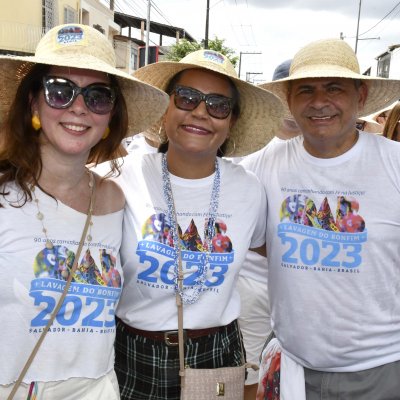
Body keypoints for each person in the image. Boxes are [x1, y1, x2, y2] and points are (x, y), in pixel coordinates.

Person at [102, 49, 283, 400]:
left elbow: (273, 250)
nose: (200, 112)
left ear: (231, 121)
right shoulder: (122, 176)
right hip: (134, 353)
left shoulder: (249, 189)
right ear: (165, 108)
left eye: (218, 105)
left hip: (216, 350)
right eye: (186, 98)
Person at [0, 23, 168, 400]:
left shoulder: (116, 200)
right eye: (59, 91)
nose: (78, 107)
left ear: (110, 117)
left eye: (97, 96)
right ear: (33, 103)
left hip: (98, 388)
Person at [241, 38, 400, 399]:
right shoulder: (265, 165)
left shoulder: (394, 164)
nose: (319, 102)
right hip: (294, 368)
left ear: (360, 96)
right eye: (305, 90)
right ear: (290, 101)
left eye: (334, 88)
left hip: (381, 372)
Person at [235, 58, 301, 400]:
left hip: (301, 290)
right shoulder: (249, 155)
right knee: (250, 371)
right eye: (283, 100)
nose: (289, 111)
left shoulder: (320, 152)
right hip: (253, 285)